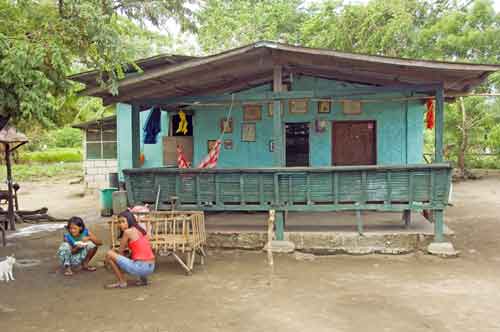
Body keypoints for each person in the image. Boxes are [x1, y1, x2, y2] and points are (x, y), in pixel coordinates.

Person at [105, 210, 155, 289]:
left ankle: (122, 282)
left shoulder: (127, 232)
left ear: (129, 220)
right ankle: (143, 280)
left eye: (123, 221)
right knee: (138, 256)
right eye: (119, 222)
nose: (121, 224)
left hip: (141, 267)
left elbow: (120, 252)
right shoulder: (140, 230)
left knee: (109, 254)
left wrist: (118, 263)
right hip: (151, 267)